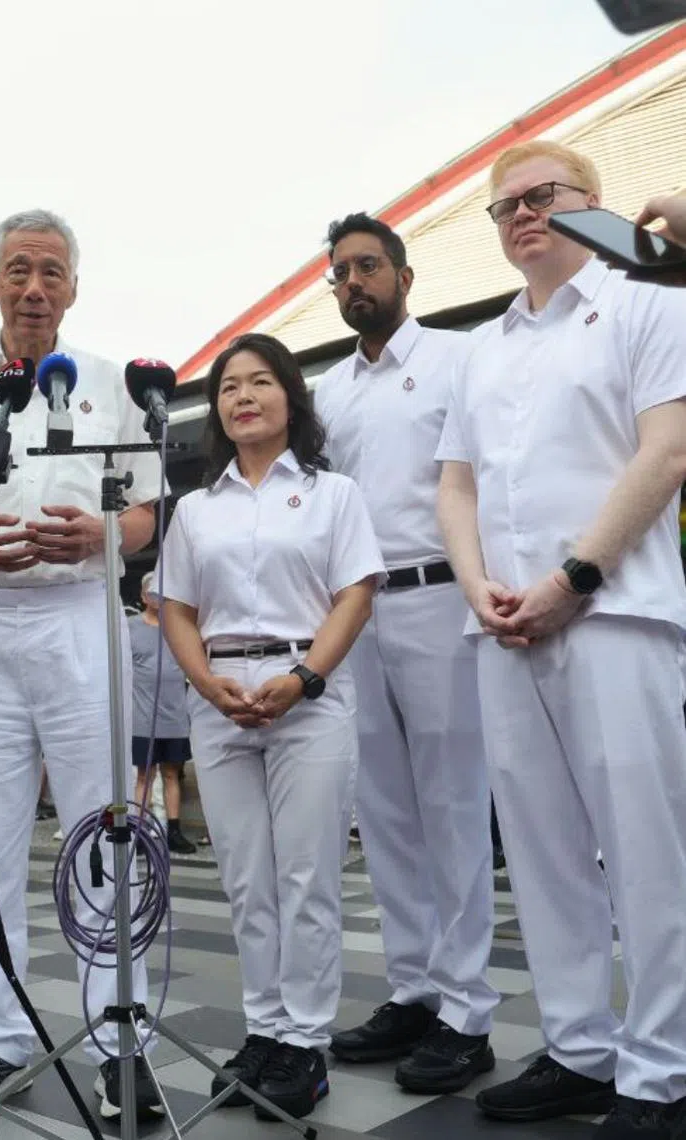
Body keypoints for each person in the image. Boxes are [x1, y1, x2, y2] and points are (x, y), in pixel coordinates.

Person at [437, 140, 686, 1139]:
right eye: (503, 208)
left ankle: (662, 1069)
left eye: (542, 197)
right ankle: (582, 1047)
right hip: (504, 626)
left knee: (645, 848)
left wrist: (574, 576)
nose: (521, 216)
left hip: (616, 612)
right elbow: (453, 484)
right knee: (540, 850)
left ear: (592, 204)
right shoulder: (484, 346)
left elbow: (668, 450)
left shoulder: (648, 301)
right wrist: (479, 586)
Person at [0, 209, 164, 1122]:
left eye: (52, 270)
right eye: (18, 269)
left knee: (103, 829)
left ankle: (118, 1040)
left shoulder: (114, 384)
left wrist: (104, 535)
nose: (35, 287)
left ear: (75, 288)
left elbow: (146, 517)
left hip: (82, 617)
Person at [161, 332, 384, 1122]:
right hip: (219, 696)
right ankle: (264, 1029)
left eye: (261, 382)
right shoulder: (193, 508)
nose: (243, 396)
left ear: (292, 396)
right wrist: (207, 685)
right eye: (229, 387)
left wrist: (304, 678)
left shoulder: (333, 495)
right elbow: (177, 610)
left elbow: (355, 593)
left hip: (308, 693)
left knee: (306, 875)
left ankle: (305, 1043)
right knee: (248, 878)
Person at [314, 214, 499, 1093]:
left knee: (453, 802)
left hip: (438, 598)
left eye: (368, 267)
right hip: (358, 610)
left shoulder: (463, 358)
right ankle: (414, 987)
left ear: (405, 276)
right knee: (382, 807)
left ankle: (468, 1010)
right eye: (341, 272)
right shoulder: (328, 391)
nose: (354, 282)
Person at [128, 571, 196, 855]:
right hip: (143, 718)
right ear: (144, 597)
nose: (157, 597)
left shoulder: (179, 627)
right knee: (145, 775)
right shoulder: (130, 627)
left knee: (171, 773)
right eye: (152, 592)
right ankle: (139, 831)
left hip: (175, 716)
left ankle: (173, 829)